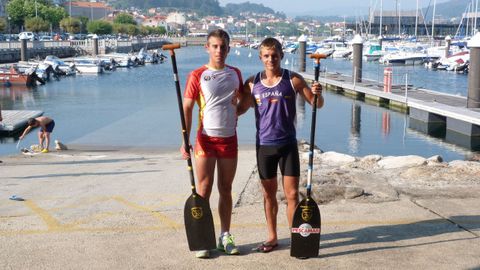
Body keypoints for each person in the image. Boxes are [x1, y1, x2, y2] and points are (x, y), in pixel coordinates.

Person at [237, 37, 324, 253]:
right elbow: (240, 109)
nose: (270, 59)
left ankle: (296, 237)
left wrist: (318, 94)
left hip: (287, 146)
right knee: (268, 195)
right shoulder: (252, 82)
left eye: (274, 55)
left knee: (292, 195)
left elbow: (316, 104)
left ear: (281, 56)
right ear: (260, 58)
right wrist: (226, 102)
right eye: (266, 56)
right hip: (264, 146)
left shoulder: (292, 79)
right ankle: (272, 237)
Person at [181, 29, 243, 259]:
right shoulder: (197, 75)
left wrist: (242, 102)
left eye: (223, 46)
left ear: (229, 48)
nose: (219, 51)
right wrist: (184, 141)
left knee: (225, 190)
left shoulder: (236, 73)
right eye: (215, 46)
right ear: (207, 48)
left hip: (229, 139)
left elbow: (243, 101)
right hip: (205, 140)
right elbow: (187, 108)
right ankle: (203, 239)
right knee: (204, 190)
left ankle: (224, 236)